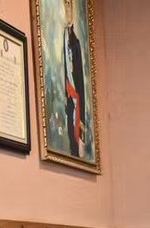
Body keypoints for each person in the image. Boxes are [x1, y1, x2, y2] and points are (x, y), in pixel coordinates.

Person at [61, 0, 87, 158]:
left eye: (70, 5)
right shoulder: (63, 38)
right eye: (65, 5)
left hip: (75, 97)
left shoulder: (75, 43)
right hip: (68, 98)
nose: (67, 9)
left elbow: (79, 79)